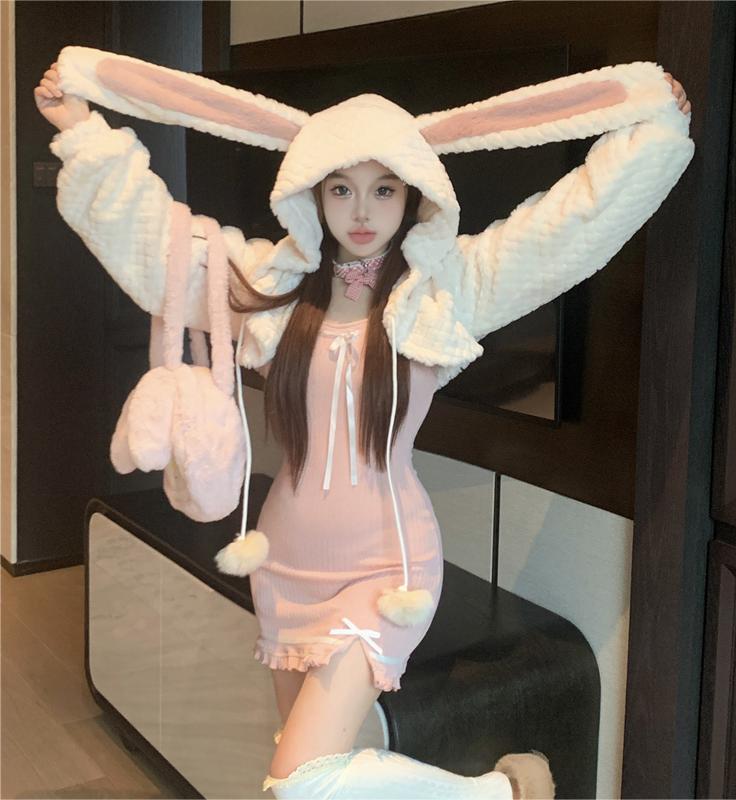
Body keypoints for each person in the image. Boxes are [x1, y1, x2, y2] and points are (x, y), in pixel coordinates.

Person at [35, 48, 692, 799]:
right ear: (311, 193)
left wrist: (651, 137)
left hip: (386, 573)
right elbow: (160, 249)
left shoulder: (444, 294)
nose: (361, 212)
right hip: (284, 565)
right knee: (302, 770)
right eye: (341, 188)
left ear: (414, 195)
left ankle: (504, 793)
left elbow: (563, 230)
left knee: (298, 783)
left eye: (384, 189)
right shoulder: (273, 290)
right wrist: (80, 130)